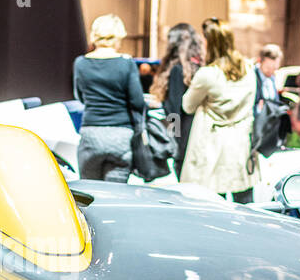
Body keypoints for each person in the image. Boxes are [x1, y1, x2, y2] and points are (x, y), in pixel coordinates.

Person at [181, 19, 257, 202]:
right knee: (245, 203)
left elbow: (187, 106)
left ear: (211, 43)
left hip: (212, 147)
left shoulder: (207, 74)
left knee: (212, 205)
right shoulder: (248, 69)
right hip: (240, 145)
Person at [72, 13, 143, 182]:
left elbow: (79, 96)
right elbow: (137, 102)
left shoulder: (80, 63)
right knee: (116, 195)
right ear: (117, 37)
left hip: (91, 134)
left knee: (90, 194)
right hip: (121, 135)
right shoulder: (126, 64)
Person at [148, 22, 203, 177]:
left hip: (184, 137)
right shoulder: (200, 67)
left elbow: (174, 111)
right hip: (201, 135)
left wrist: (160, 104)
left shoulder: (177, 70)